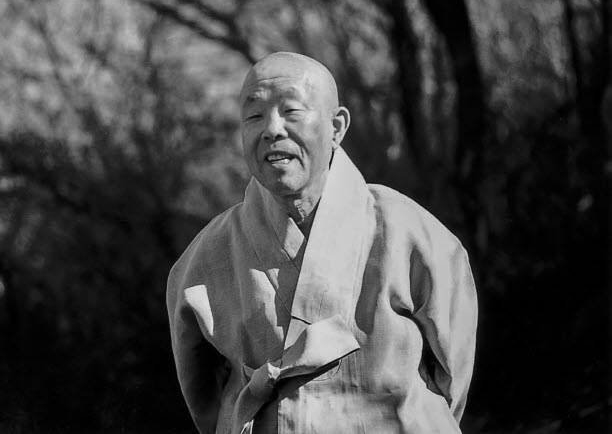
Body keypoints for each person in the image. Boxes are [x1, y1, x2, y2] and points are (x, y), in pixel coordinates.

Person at [166, 52, 477, 434]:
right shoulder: (207, 255)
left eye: (291, 111)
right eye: (254, 116)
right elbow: (203, 397)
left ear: (336, 127)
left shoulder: (408, 230)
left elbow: (453, 374)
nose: (272, 129)